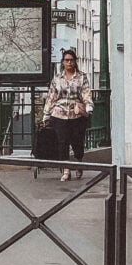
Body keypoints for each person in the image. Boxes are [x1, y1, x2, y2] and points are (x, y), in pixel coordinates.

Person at [42, 50, 94, 182]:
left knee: (77, 142)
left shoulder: (81, 77)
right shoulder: (57, 78)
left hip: (76, 115)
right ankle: (66, 170)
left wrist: (88, 107)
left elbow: (86, 93)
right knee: (62, 142)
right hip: (59, 114)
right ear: (63, 62)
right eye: (66, 60)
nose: (69, 62)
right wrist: (46, 114)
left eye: (71, 60)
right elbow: (51, 96)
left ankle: (78, 162)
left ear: (75, 61)